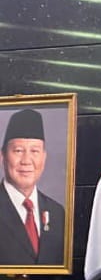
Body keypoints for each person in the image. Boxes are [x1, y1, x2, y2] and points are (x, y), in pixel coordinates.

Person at [0, 108, 66, 266]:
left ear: (44, 157)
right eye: (18, 151)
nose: (26, 160)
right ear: (2, 157)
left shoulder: (57, 213)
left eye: (35, 151)